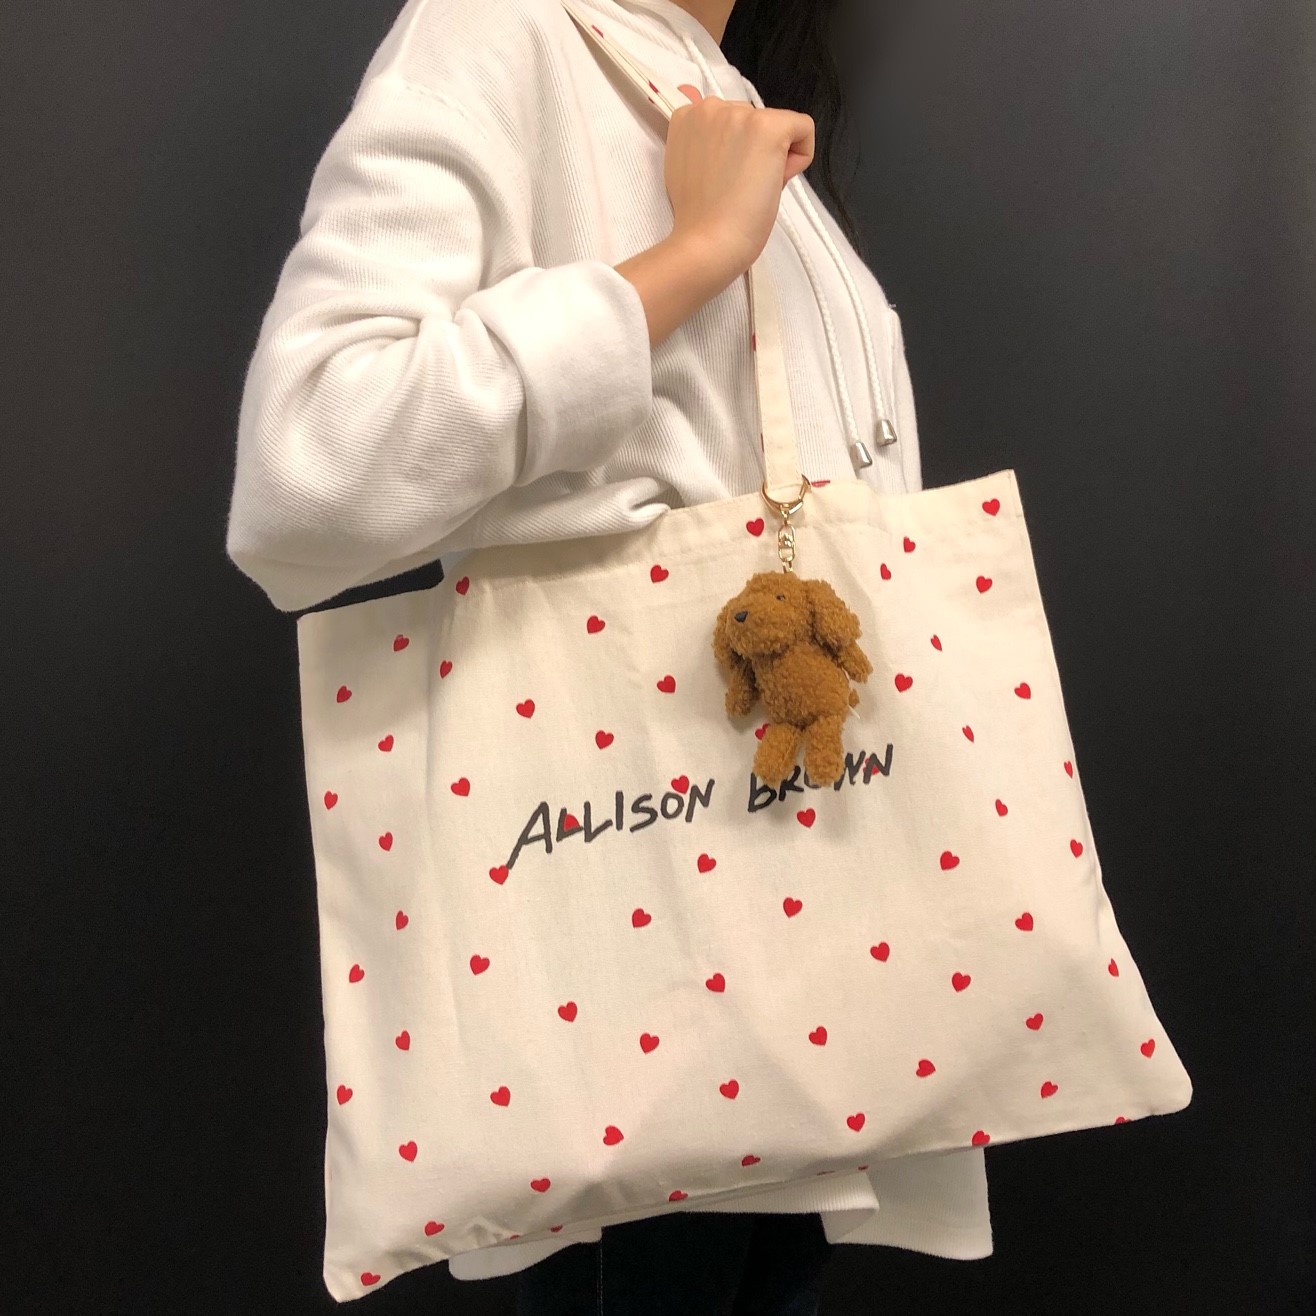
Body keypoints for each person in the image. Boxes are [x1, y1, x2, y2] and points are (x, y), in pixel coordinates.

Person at [225, 0, 992, 1310]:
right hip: (655, 951)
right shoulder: (498, 32)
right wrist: (691, 257)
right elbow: (309, 467)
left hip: (824, 945)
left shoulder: (713, 82)